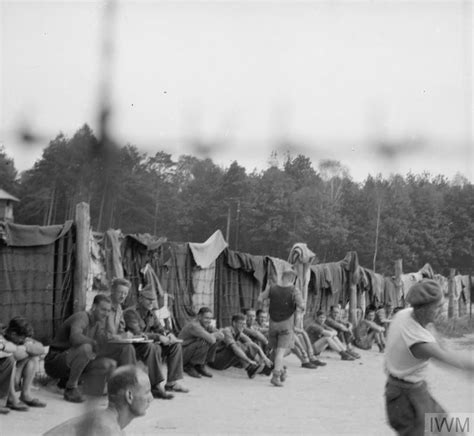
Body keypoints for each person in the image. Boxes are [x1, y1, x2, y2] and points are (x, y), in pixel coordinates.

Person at [384, 279, 474, 436]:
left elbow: (430, 330)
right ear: (423, 309)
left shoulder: (404, 314)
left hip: (417, 390)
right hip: (403, 399)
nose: (442, 310)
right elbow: (450, 359)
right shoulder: (419, 342)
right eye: (437, 307)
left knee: (453, 432)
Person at [44, 294, 117, 403]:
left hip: (69, 360)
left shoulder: (97, 323)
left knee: (110, 364)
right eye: (103, 310)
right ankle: (70, 389)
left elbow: (101, 344)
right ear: (94, 307)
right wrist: (93, 342)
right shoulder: (82, 317)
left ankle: (85, 387)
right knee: (86, 349)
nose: (106, 314)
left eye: (108, 311)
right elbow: (75, 337)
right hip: (55, 361)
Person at [44, 365, 153, 436]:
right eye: (147, 392)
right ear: (129, 396)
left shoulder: (104, 420)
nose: (151, 398)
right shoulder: (107, 429)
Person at [123, 286, 189, 397]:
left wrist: (168, 335)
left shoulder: (151, 314)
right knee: (152, 346)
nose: (151, 302)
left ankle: (171, 383)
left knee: (175, 345)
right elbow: (137, 333)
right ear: (140, 299)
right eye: (148, 299)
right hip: (134, 347)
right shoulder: (131, 313)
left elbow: (160, 328)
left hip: (148, 345)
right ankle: (155, 386)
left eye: (153, 300)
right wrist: (158, 337)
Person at [258, 269, 305, 387]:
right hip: (286, 324)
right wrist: (299, 310)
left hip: (273, 324)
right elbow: (301, 305)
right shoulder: (294, 290)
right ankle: (276, 376)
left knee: (275, 351)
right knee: (280, 352)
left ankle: (282, 371)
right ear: (293, 279)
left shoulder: (272, 288)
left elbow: (260, 298)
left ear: (282, 277)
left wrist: (267, 306)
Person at [4, 316, 47, 408]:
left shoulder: (22, 339)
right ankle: (11, 398)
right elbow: (14, 355)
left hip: (14, 379)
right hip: (3, 380)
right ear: (13, 334)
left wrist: (25, 348)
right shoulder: (2, 338)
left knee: (33, 358)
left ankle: (25, 395)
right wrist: (28, 349)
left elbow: (40, 349)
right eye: (22, 338)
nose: (24, 341)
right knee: (10, 360)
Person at [178, 307, 224, 378]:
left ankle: (200, 365)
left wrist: (213, 335)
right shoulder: (194, 325)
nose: (208, 320)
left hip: (189, 350)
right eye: (206, 318)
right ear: (199, 317)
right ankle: (189, 366)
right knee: (205, 341)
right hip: (181, 354)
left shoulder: (205, 324)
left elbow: (221, 336)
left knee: (212, 340)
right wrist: (212, 335)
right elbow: (211, 339)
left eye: (210, 318)